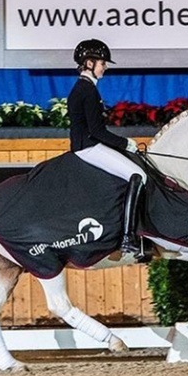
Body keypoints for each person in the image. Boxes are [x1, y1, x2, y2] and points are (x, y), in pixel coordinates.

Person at [68, 38, 147, 256]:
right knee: (137, 174)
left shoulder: (84, 88)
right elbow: (97, 131)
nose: (106, 67)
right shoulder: (87, 90)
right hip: (88, 146)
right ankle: (127, 238)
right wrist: (126, 143)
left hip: (87, 144)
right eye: (103, 62)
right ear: (90, 63)